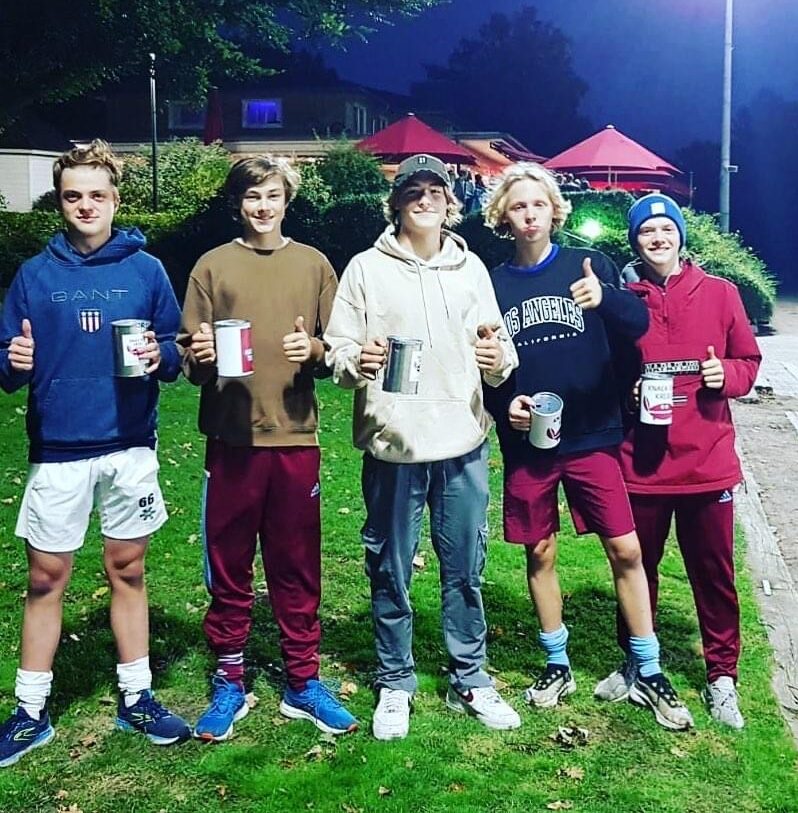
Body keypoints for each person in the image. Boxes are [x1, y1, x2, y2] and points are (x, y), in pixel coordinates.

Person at [480, 163, 693, 731]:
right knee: (539, 552)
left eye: (538, 204)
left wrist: (605, 298)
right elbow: (487, 366)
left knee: (626, 549)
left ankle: (648, 668)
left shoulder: (588, 264)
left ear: (555, 210)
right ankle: (557, 662)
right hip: (531, 443)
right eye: (518, 206)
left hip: (593, 434)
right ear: (503, 216)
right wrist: (504, 405)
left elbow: (638, 322)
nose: (529, 215)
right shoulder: (492, 284)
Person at [0, 139, 190, 767]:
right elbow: (6, 363)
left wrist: (161, 354)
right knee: (45, 577)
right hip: (59, 447)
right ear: (59, 202)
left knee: (127, 570)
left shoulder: (146, 270)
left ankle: (138, 697)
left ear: (115, 199)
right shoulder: (35, 275)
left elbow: (175, 351)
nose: (85, 205)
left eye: (97, 195)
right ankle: (30, 711)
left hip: (129, 444)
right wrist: (12, 359)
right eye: (72, 196)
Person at [324, 153, 521, 741]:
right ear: (397, 202)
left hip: (462, 441)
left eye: (435, 190)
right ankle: (395, 681)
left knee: (465, 569)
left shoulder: (471, 269)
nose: (425, 199)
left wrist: (497, 359)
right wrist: (356, 360)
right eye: (413, 190)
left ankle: (470, 676)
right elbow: (337, 349)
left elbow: (500, 350)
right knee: (391, 569)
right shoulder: (365, 268)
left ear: (449, 202)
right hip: (395, 445)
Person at [178, 155, 357, 741]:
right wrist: (201, 356)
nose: (263, 206)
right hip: (231, 439)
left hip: (295, 437)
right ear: (238, 203)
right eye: (253, 196)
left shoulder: (313, 264)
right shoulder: (212, 266)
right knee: (229, 563)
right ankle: (229, 679)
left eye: (273, 195)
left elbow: (338, 350)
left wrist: (317, 350)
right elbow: (189, 359)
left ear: (287, 200)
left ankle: (303, 681)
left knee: (296, 563)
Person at [596, 193, 762, 729]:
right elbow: (603, 372)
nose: (658, 238)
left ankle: (722, 677)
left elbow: (748, 361)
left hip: (707, 463)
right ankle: (636, 661)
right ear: (635, 242)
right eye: (647, 232)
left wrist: (725, 375)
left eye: (667, 229)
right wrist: (626, 394)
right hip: (640, 464)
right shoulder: (623, 303)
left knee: (714, 576)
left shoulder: (720, 293)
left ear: (681, 236)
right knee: (636, 568)